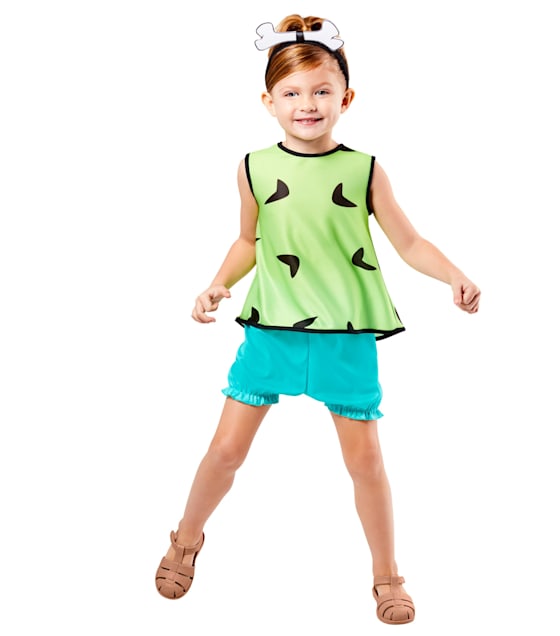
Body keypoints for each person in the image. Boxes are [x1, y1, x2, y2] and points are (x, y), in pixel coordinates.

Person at [154, 14, 480, 625]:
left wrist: (453, 274)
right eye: (292, 93)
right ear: (269, 101)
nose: (307, 104)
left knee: (366, 464)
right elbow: (248, 241)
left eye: (322, 90)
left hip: (345, 337)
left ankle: (387, 576)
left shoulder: (364, 170)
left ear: (346, 98)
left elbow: (409, 243)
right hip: (272, 329)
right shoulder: (253, 167)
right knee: (224, 451)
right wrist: (217, 284)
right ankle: (186, 539)